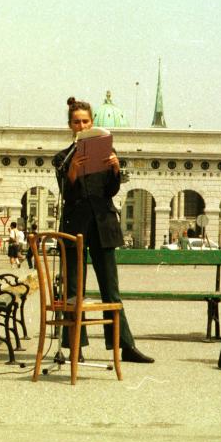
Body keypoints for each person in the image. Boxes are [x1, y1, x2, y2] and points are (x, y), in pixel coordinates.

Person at [52, 96, 154, 364]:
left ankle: (125, 345)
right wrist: (73, 172)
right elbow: (67, 194)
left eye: (86, 121)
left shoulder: (107, 151)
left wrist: (116, 170)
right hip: (74, 228)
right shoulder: (62, 158)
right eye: (77, 122)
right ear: (70, 125)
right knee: (74, 290)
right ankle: (74, 346)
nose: (82, 125)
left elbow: (110, 191)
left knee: (111, 289)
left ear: (93, 122)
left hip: (103, 226)